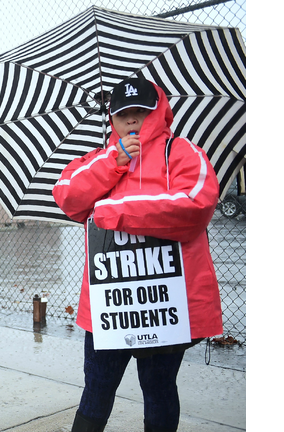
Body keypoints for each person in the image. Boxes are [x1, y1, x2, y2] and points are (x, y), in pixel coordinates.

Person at [52, 77, 223, 432]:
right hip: (111, 303)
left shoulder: (181, 152)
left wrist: (114, 212)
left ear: (158, 111)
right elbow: (67, 195)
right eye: (123, 113)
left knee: (159, 390)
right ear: (111, 120)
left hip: (164, 303)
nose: (132, 120)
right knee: (97, 389)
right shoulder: (98, 159)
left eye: (141, 112)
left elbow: (195, 205)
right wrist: (112, 163)